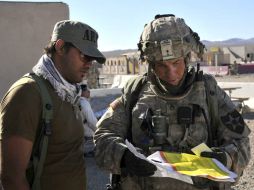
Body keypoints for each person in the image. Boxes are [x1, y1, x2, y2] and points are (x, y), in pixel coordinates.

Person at [94, 14, 250, 190]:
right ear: (151, 64)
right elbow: (102, 137)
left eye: (176, 63)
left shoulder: (209, 91)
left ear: (187, 58)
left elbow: (242, 143)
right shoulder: (135, 92)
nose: (172, 73)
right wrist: (124, 157)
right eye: (162, 65)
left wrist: (225, 158)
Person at [0, 20, 105, 190]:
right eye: (84, 55)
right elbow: (12, 178)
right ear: (61, 47)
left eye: (92, 59)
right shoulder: (27, 93)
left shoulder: (71, 93)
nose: (88, 64)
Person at [80, 84, 98, 157]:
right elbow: (92, 122)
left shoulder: (77, 101)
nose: (89, 92)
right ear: (82, 92)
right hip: (87, 136)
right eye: (87, 91)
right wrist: (99, 131)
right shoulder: (84, 103)